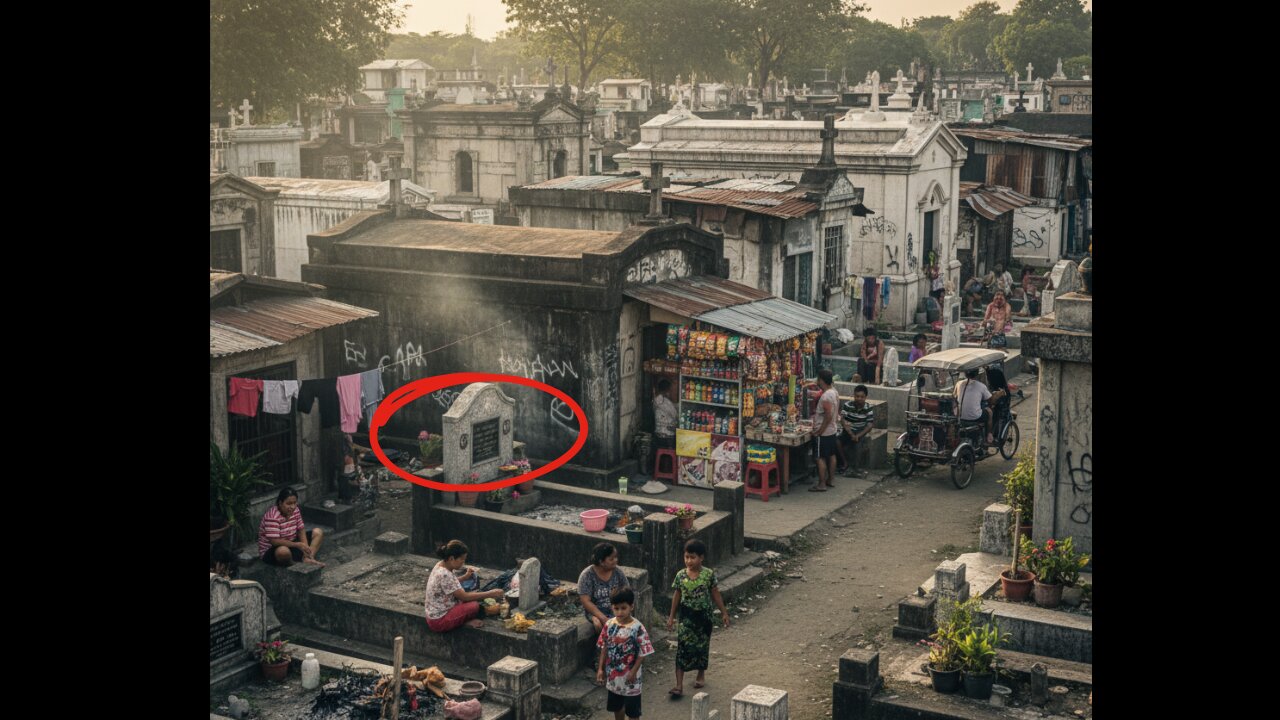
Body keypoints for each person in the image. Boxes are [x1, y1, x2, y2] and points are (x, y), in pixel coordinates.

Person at [666, 539, 729, 698]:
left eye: (692, 557)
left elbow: (715, 593)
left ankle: (700, 674)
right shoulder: (680, 575)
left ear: (701, 558)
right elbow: (677, 595)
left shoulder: (708, 574)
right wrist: (672, 616)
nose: (688, 561)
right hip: (686, 617)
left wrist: (724, 612)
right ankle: (678, 686)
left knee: (702, 646)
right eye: (686, 557)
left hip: (704, 617)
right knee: (682, 649)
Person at [596, 587, 654, 720]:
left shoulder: (638, 628)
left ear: (631, 606)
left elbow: (642, 653)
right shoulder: (609, 625)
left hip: (631, 678)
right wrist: (600, 669)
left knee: (633, 712)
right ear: (612, 607)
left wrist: (633, 671)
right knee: (616, 707)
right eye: (616, 608)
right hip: (613, 677)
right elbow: (604, 647)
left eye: (623, 608)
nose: (620, 612)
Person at [424, 539, 505, 632]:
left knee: (473, 595)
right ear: (451, 558)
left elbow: (449, 584)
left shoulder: (441, 565)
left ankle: (461, 620)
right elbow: (464, 597)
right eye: (462, 559)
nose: (463, 562)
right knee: (474, 606)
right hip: (439, 621)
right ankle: (474, 617)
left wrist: (464, 577)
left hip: (438, 611)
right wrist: (490, 593)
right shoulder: (444, 574)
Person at [258, 487, 325, 567]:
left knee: (318, 532)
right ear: (280, 503)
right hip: (272, 550)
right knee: (283, 552)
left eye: (294, 503)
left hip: (292, 543)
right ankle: (295, 565)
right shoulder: (272, 516)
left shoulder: (295, 510)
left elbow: (301, 529)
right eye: (289, 503)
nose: (292, 507)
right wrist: (297, 545)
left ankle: (308, 558)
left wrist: (305, 548)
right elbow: (275, 541)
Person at [579, 543, 630, 634]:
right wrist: (602, 618)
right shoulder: (587, 575)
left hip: (617, 609)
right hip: (596, 612)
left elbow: (628, 593)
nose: (616, 560)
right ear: (601, 562)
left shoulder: (618, 573)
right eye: (611, 559)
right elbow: (585, 601)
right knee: (599, 626)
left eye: (616, 557)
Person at [809, 368, 840, 492]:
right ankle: (830, 480)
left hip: (825, 432)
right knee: (831, 455)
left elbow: (827, 415)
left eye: (818, 379)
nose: (817, 381)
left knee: (819, 457)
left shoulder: (826, 396)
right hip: (832, 430)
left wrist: (819, 431)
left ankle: (821, 484)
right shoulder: (834, 392)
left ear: (821, 380)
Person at [839, 385, 876, 478]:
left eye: (862, 397)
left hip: (860, 431)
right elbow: (842, 419)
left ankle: (855, 468)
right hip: (849, 430)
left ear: (865, 397)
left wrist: (858, 436)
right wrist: (850, 432)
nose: (859, 398)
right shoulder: (847, 405)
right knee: (836, 441)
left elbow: (870, 425)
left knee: (858, 444)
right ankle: (845, 463)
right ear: (854, 396)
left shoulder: (868, 408)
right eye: (857, 396)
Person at [955, 368, 995, 444]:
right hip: (975, 417)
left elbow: (954, 396)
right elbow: (991, 400)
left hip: (960, 416)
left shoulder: (958, 383)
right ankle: (989, 434)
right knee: (989, 412)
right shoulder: (981, 386)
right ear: (977, 374)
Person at [652, 377, 678, 470]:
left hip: (657, 433)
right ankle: (668, 468)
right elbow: (675, 415)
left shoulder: (656, 400)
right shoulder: (666, 402)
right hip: (667, 436)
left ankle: (663, 466)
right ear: (668, 389)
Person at [985, 367, 1012, 446]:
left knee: (994, 416)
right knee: (1002, 418)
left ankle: (992, 435)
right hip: (1003, 399)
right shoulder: (1003, 389)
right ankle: (999, 438)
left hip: (996, 399)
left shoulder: (990, 386)